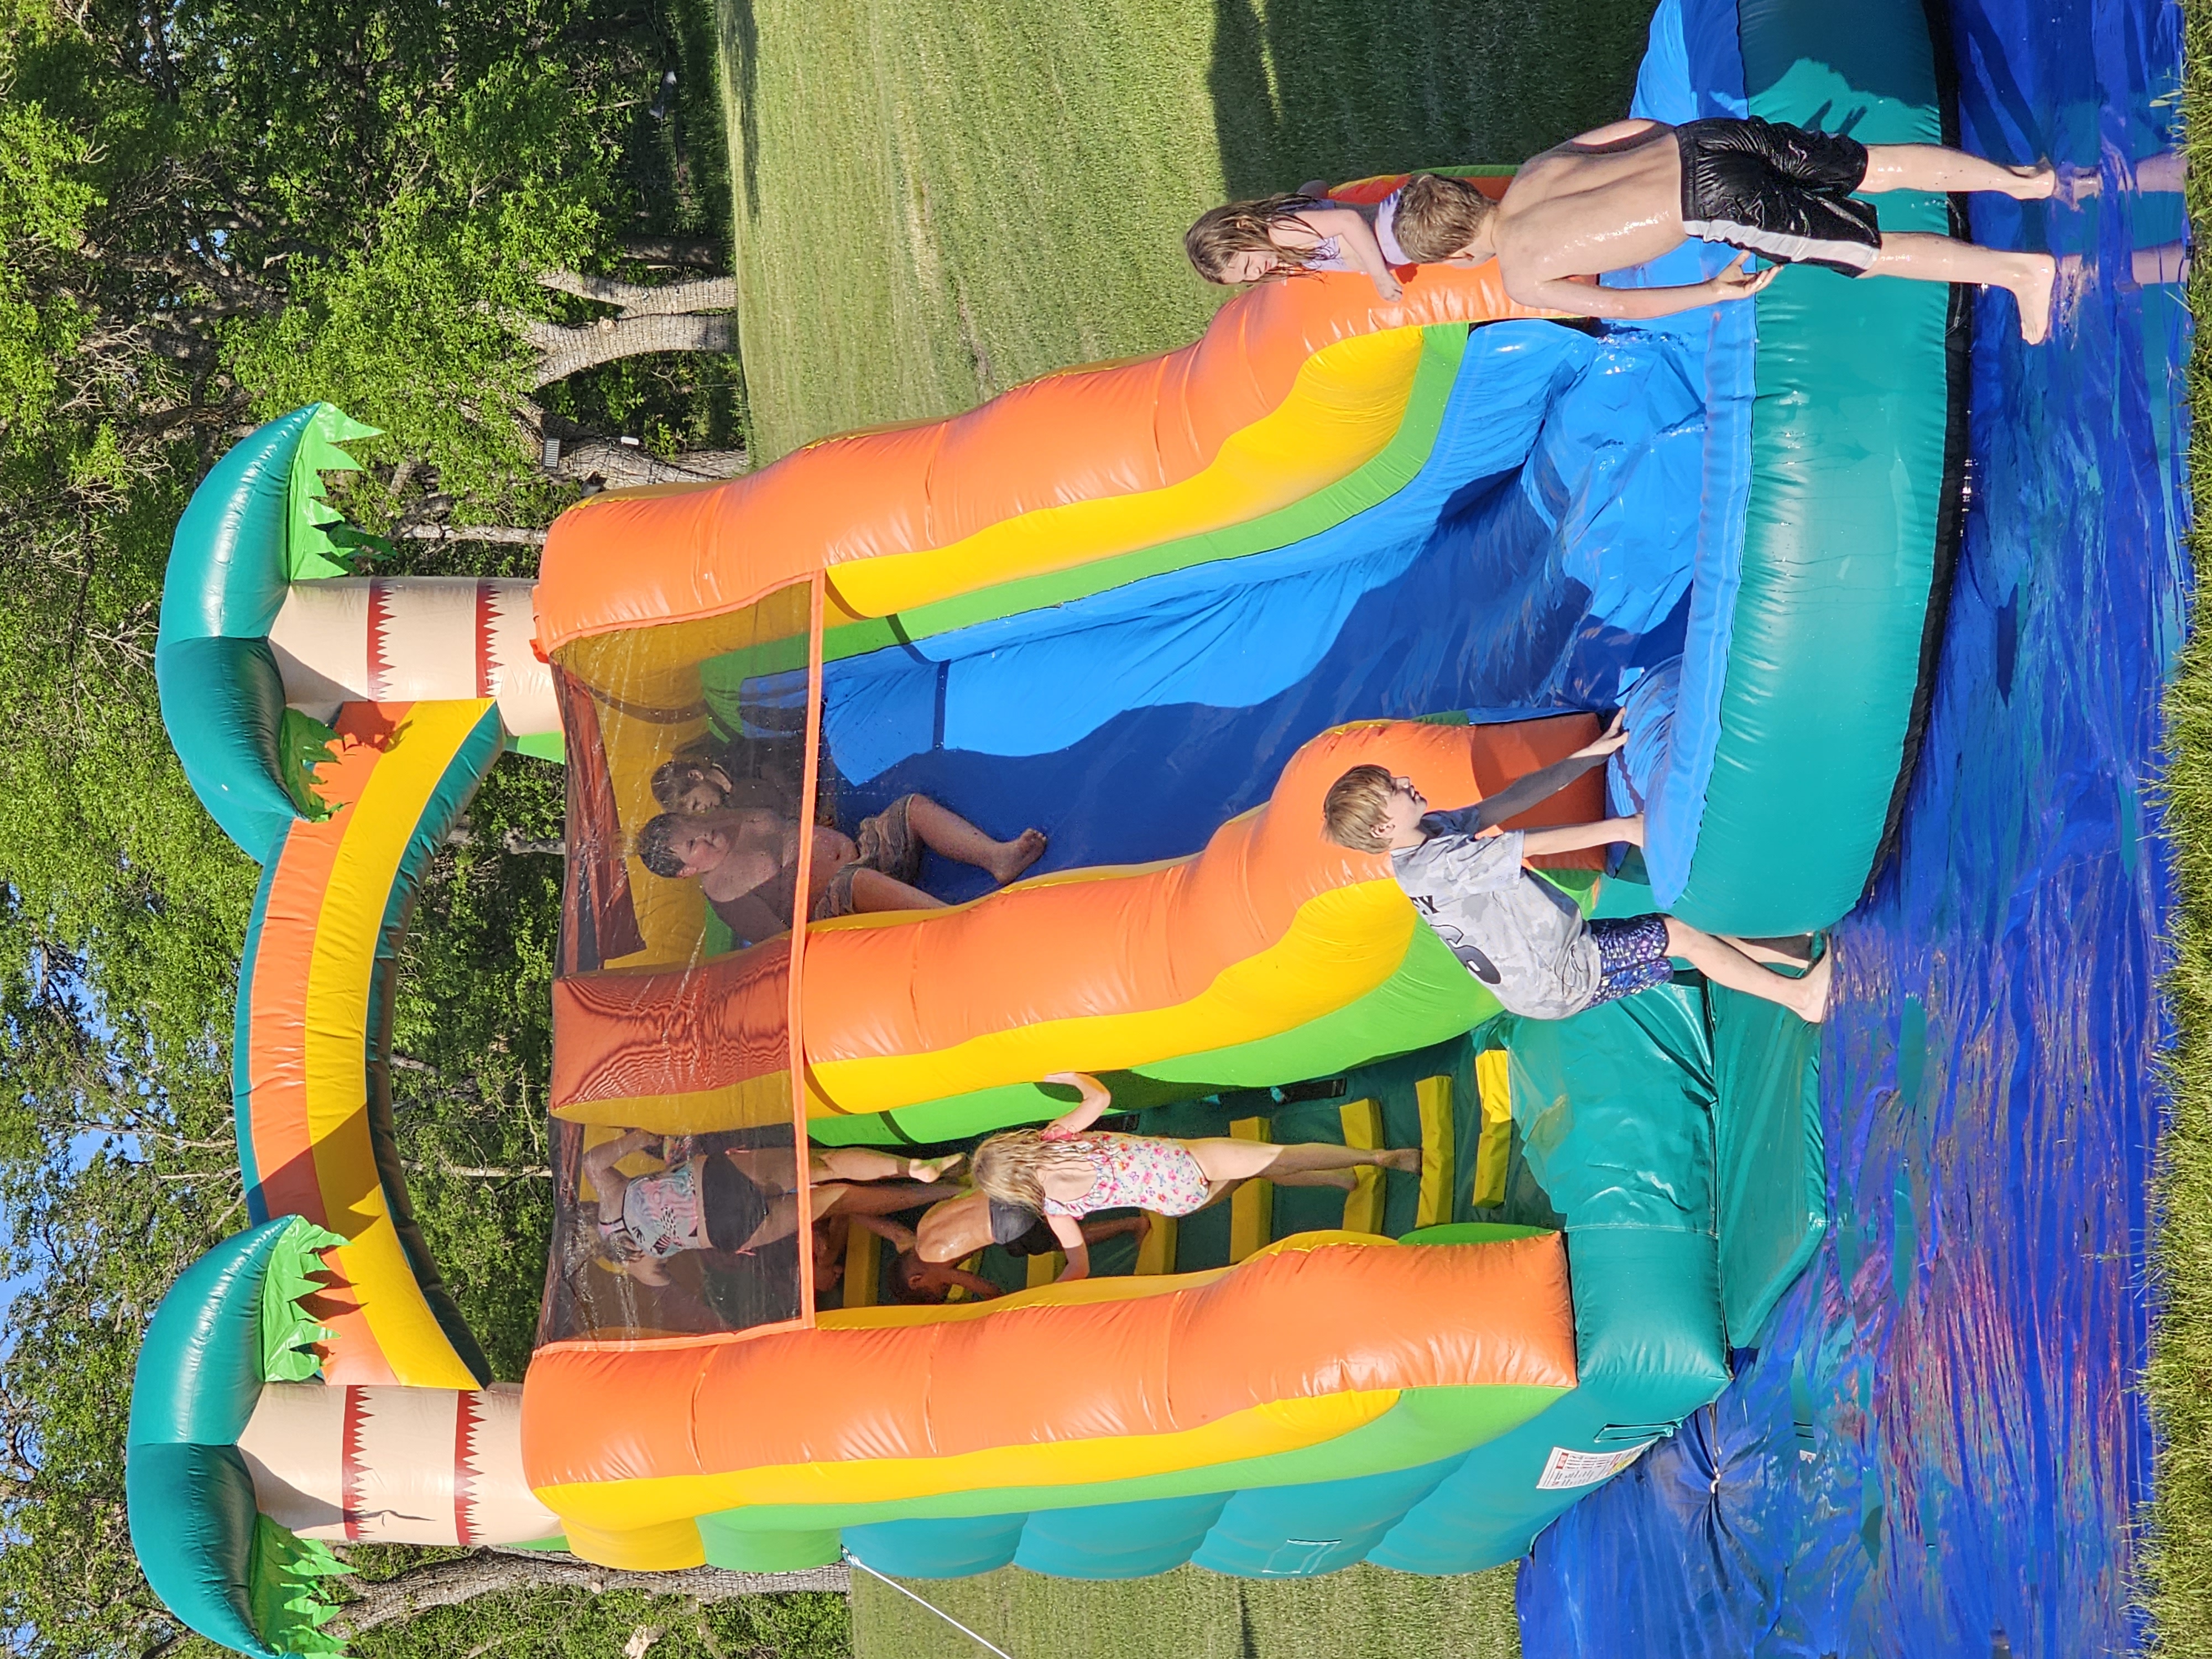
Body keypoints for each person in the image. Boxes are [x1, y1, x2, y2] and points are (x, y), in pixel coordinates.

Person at [1383, 121, 2057, 343]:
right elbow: (1637, 129)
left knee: (1865, 253)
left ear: (1462, 253)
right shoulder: (1534, 170)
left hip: (1707, 199)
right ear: (1472, 194)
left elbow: (1619, 304)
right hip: (1702, 142)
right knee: (1867, 166)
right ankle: (2026, 181)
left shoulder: (1520, 273)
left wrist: (1713, 292)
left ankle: (2020, 272)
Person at [1319, 764, 1830, 1024]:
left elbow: (1510, 800)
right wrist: (1625, 828)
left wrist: (1585, 758)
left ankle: (1789, 950)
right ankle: (1801, 998)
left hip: (1546, 968)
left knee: (1675, 935)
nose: (1406, 780)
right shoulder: (1440, 866)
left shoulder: (1429, 834)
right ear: (1386, 825)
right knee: (1679, 936)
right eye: (1394, 787)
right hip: (1555, 973)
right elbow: (1533, 844)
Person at [968, 1073, 1418, 1281]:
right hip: (1184, 1165)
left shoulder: (1057, 1210)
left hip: (1179, 1203)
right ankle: (1380, 1157)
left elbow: (1079, 1265)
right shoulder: (1056, 1139)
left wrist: (1048, 1300)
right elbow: (1100, 1097)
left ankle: (1336, 1180)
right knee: (1280, 1155)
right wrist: (1069, 1076)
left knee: (1257, 1171)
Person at [632, 794, 1048, 939]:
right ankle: (961, 924)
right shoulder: (723, 890)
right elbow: (781, 942)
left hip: (861, 850)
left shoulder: (732, 819)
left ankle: (998, 857)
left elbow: (793, 820)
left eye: (695, 828)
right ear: (687, 871)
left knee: (910, 808)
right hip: (838, 906)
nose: (705, 836)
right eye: (693, 845)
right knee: (857, 882)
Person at [580, 1129, 961, 1287]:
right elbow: (595, 1161)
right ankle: (910, 1168)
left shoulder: (634, 1265)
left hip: (727, 1232)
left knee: (839, 1199)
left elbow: (666, 1279)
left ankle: (938, 1194)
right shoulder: (608, 1191)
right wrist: (639, 1139)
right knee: (826, 1165)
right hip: (712, 1179)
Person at [1184, 191, 1406, 300]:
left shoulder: (1280, 233)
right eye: (1245, 278)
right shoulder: (1281, 216)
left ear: (1246, 228)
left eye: (1249, 263)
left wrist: (1379, 276)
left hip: (1393, 233)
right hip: (1393, 229)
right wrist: (1310, 205)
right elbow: (1317, 186)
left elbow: (1348, 221)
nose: (1255, 273)